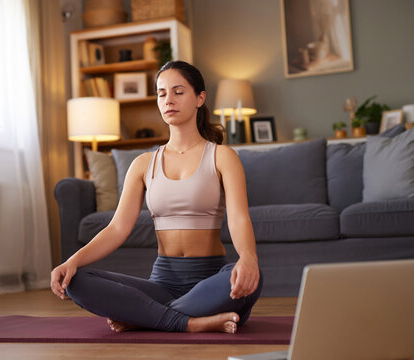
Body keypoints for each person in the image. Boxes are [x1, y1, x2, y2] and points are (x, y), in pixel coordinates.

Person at [50, 61, 263, 334]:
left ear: (200, 98)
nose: (168, 100)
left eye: (178, 92)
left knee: (251, 278)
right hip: (161, 284)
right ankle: (190, 322)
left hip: (209, 280)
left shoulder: (222, 156)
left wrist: (248, 258)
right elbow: (117, 228)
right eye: (162, 93)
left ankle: (145, 317)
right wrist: (72, 261)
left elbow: (239, 217)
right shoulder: (142, 164)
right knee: (77, 281)